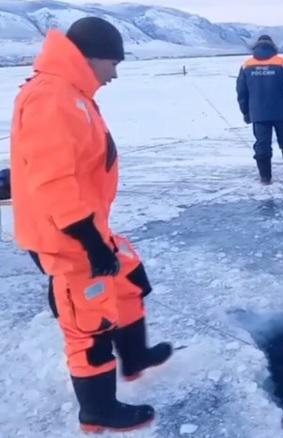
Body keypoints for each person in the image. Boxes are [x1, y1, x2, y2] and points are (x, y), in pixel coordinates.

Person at [9, 17, 172, 433]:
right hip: (67, 236)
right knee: (89, 321)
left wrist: (97, 237)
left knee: (129, 280)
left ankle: (134, 357)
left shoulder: (70, 93)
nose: (115, 74)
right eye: (113, 64)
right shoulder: (52, 97)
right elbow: (54, 182)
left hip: (87, 225)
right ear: (92, 57)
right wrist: (91, 243)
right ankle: (97, 410)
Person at [236, 35, 283, 185]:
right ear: (272, 47)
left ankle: (265, 176)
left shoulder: (246, 66)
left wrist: (246, 112)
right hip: (281, 111)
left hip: (258, 113)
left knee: (262, 143)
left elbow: (241, 92)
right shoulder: (281, 63)